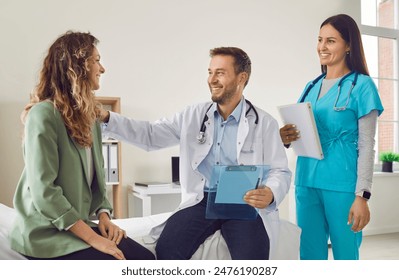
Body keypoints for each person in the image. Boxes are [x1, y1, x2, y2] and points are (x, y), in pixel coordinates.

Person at [100, 47, 291, 260]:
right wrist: (108, 118)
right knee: (168, 249)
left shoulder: (264, 123)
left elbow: (279, 171)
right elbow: (151, 135)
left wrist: (271, 193)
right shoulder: (193, 116)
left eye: (220, 73)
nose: (212, 79)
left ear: (241, 78)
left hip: (242, 201)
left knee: (252, 255)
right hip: (202, 200)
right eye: (210, 72)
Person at [9, 31, 155, 260]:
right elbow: (44, 192)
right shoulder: (44, 115)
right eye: (96, 61)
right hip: (45, 233)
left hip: (76, 228)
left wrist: (105, 216)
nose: (103, 68)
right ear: (77, 67)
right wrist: (94, 238)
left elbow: (97, 180)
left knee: (146, 260)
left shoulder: (90, 118)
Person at [280, 14, 384, 260]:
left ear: (348, 45)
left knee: (345, 255)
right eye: (319, 40)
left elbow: (367, 145)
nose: (321, 47)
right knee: (309, 255)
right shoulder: (310, 86)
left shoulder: (362, 86)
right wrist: (285, 136)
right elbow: (300, 131)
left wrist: (362, 195)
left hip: (342, 185)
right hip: (306, 182)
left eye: (330, 41)